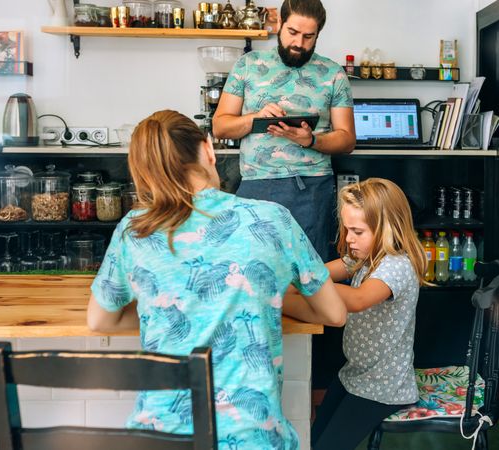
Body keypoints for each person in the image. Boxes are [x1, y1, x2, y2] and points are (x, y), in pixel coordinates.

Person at [87, 110, 346, 449]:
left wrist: (172, 309)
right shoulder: (271, 218)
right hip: (253, 438)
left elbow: (100, 320)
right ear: (208, 149)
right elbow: (334, 313)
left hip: (160, 437)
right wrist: (261, 301)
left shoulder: (135, 229)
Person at [283, 178, 427, 450]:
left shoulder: (396, 266)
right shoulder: (364, 257)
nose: (349, 239)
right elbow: (319, 273)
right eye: (347, 229)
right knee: (314, 440)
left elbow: (359, 299)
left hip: (383, 388)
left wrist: (306, 285)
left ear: (388, 228)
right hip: (355, 374)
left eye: (357, 231)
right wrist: (288, 285)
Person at [212, 0, 356, 261]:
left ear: (318, 34)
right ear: (279, 24)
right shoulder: (247, 65)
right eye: (292, 32)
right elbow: (220, 126)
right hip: (257, 187)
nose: (299, 43)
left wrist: (311, 140)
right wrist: (255, 117)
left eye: (308, 36)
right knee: (254, 267)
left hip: (311, 189)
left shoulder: (334, 74)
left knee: (311, 271)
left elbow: (347, 140)